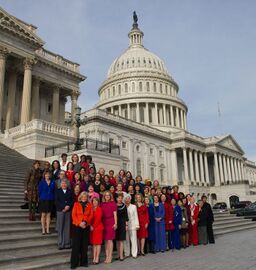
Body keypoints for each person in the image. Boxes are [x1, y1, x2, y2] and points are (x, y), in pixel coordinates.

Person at [71, 192, 93, 269]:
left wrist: (85, 222)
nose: (84, 197)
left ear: (87, 198)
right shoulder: (76, 204)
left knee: (84, 245)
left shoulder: (90, 205)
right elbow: (73, 215)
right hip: (77, 226)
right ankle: (74, 263)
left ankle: (84, 262)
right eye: (83, 196)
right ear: (80, 197)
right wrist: (79, 223)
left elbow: (91, 215)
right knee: (76, 245)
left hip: (85, 226)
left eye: (86, 196)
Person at [55, 180, 73, 250]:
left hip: (68, 211)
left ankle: (67, 244)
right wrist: (63, 207)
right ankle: (60, 243)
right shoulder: (57, 191)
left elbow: (72, 200)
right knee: (60, 227)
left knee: (67, 227)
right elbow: (56, 201)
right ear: (60, 184)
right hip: (60, 210)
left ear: (67, 184)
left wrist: (68, 206)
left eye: (65, 183)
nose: (64, 184)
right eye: (62, 183)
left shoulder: (70, 191)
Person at [101, 190, 117, 264]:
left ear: (110, 196)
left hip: (111, 221)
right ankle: (107, 256)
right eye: (106, 195)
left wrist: (115, 223)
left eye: (108, 195)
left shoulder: (113, 203)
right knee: (105, 241)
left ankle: (110, 256)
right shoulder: (102, 204)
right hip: (104, 222)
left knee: (110, 240)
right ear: (104, 196)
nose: (107, 196)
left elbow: (115, 214)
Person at [124, 194, 140, 258]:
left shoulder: (134, 206)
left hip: (133, 225)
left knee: (133, 240)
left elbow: (136, 216)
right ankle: (127, 253)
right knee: (126, 240)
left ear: (130, 199)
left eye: (128, 198)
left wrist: (137, 225)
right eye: (126, 198)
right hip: (125, 225)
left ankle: (134, 254)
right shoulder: (123, 206)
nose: (127, 200)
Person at [90, 197, 104, 265]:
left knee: (98, 244)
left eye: (96, 201)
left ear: (98, 202)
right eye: (93, 201)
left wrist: (93, 226)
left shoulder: (99, 209)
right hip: (92, 228)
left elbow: (98, 219)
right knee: (94, 244)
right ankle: (94, 257)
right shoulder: (91, 209)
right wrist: (90, 225)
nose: (94, 202)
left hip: (98, 228)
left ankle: (97, 258)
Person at [116, 193, 129, 261]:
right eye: (118, 198)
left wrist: (126, 225)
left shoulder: (124, 206)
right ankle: (118, 255)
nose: (120, 199)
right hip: (116, 224)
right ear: (116, 199)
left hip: (122, 224)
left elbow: (126, 216)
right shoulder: (114, 205)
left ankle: (121, 255)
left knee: (121, 240)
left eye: (121, 198)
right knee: (117, 240)